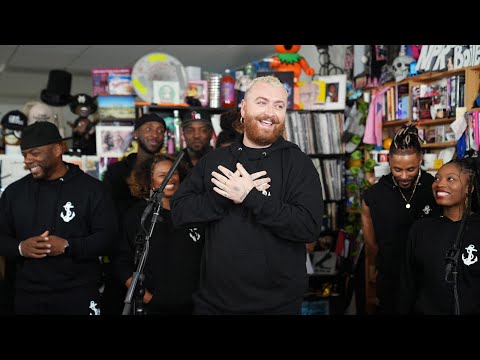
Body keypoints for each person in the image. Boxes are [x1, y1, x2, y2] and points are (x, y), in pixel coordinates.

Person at [171, 75, 324, 315]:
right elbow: (179, 212)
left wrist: (251, 196)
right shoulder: (214, 161)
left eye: (279, 105)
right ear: (244, 108)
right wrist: (223, 196)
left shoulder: (298, 163)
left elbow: (308, 228)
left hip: (278, 305)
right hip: (214, 304)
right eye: (261, 102)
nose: (270, 112)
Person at [0, 121, 118, 315]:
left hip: (79, 292)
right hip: (28, 295)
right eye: (24, 154)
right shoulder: (14, 193)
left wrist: (68, 246)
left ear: (57, 150)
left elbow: (109, 239)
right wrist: (20, 248)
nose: (28, 160)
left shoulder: (92, 189)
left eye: (35, 153)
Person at [361, 124, 439, 314]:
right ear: (388, 162)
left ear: (420, 159)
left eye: (411, 169)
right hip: (391, 281)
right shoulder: (374, 195)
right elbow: (371, 242)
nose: (404, 176)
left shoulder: (435, 188)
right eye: (397, 169)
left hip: (428, 280)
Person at [112, 153, 204, 315]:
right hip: (153, 306)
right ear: (148, 180)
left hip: (193, 306)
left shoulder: (193, 213)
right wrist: (147, 298)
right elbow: (121, 261)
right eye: (162, 175)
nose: (171, 178)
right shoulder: (138, 216)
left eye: (174, 173)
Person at [102, 112, 166, 314]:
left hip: (157, 255)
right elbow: (108, 214)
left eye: (160, 130)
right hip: (123, 253)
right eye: (148, 129)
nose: (154, 134)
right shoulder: (117, 172)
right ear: (136, 133)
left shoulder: (170, 171)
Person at [398, 157, 480, 315]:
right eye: (437, 178)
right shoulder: (420, 229)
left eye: (451, 179)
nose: (439, 184)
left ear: (469, 188)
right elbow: (407, 286)